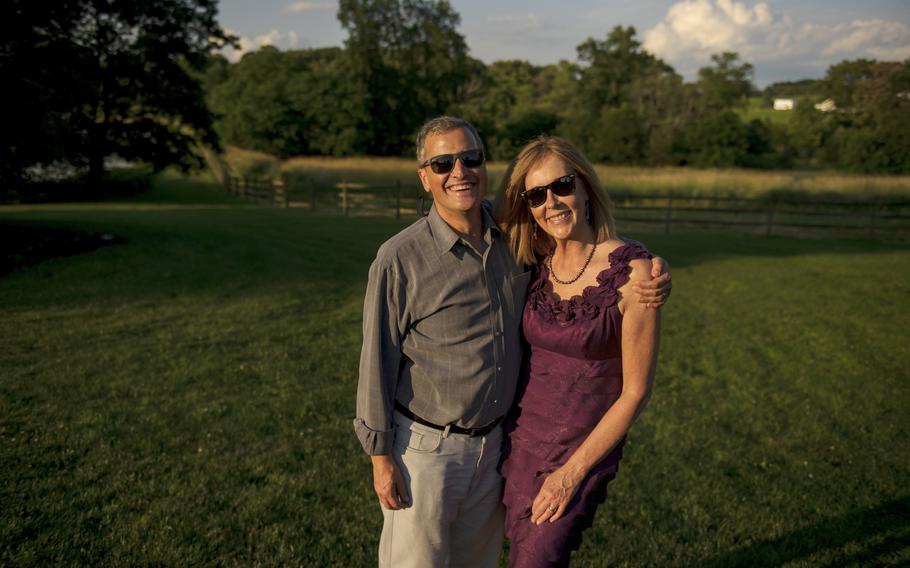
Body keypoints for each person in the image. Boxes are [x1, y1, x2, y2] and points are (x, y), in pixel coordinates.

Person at [354, 117, 670, 568]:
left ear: (485, 166)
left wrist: (653, 269)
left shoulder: (518, 240)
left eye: (471, 158)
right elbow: (376, 363)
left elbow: (591, 255)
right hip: (425, 452)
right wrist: (380, 458)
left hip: (497, 449)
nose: (458, 171)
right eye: (443, 163)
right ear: (424, 177)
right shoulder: (399, 258)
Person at [494, 135, 662, 567]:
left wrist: (570, 476)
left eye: (562, 185)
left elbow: (636, 392)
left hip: (580, 453)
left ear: (585, 186)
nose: (551, 202)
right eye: (535, 195)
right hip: (520, 442)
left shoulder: (634, 274)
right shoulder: (533, 262)